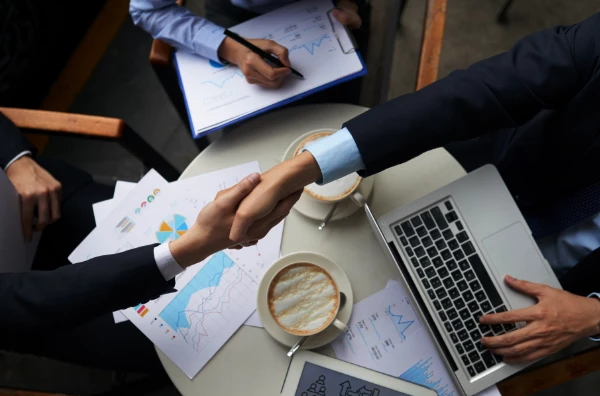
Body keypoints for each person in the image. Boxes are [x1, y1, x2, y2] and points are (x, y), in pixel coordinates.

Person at [227, 13, 600, 364]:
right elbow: (484, 90)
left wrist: (594, 317)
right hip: (496, 173)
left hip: (566, 290)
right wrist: (309, 165)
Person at [0, 111, 298, 372]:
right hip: (27, 312)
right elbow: (31, 299)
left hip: (36, 198)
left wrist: (14, 159)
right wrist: (190, 247)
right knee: (194, 349)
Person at [129, 0, 369, 102]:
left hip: (329, 12)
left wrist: (350, 3)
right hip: (237, 14)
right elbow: (148, 10)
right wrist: (229, 47)